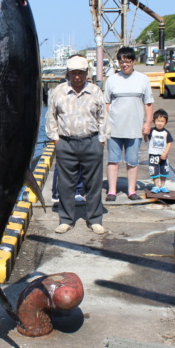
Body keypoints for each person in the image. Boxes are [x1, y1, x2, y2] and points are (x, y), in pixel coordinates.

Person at [45, 55, 109, 235]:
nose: (77, 77)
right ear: (68, 73)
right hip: (66, 143)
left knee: (94, 184)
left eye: (81, 73)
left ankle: (95, 219)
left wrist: (102, 140)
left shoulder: (95, 91)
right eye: (74, 73)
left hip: (91, 141)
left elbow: (103, 117)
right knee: (65, 184)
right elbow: (51, 117)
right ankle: (66, 219)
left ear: (87, 73)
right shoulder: (58, 91)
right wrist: (56, 140)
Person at [103, 47, 154, 201]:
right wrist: (106, 124)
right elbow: (106, 102)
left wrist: (148, 123)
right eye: (121, 61)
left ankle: (132, 191)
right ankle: (112, 191)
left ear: (133, 61)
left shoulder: (143, 79)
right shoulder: (111, 80)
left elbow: (149, 103)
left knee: (132, 161)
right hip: (115, 128)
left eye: (127, 61)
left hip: (135, 129)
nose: (124, 64)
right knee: (113, 161)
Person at [147, 109, 173, 194]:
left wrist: (165, 153)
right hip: (153, 155)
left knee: (164, 171)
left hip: (163, 156)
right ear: (154, 121)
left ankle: (163, 185)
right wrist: (144, 134)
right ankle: (156, 185)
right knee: (154, 171)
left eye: (162, 121)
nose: (160, 123)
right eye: (158, 121)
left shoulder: (166, 133)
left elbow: (169, 143)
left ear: (166, 123)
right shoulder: (151, 131)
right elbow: (146, 139)